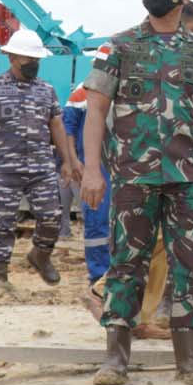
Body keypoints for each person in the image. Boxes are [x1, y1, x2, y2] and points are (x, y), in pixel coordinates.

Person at [83, 0, 193, 385]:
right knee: (127, 263)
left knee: (190, 262)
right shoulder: (121, 46)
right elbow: (96, 110)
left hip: (188, 177)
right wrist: (92, 169)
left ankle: (189, 361)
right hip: (133, 175)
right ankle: (115, 360)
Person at [0, 29, 83, 294]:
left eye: (36, 59)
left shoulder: (46, 90)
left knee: (53, 217)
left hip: (41, 167)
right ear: (12, 57)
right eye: (28, 59)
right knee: (2, 224)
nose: (34, 63)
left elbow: (56, 124)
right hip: (5, 169)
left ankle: (40, 255)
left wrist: (66, 160)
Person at [64, 88, 112, 305]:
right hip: (94, 168)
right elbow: (68, 130)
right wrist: (73, 161)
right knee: (96, 223)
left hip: (124, 166)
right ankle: (98, 276)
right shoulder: (80, 94)